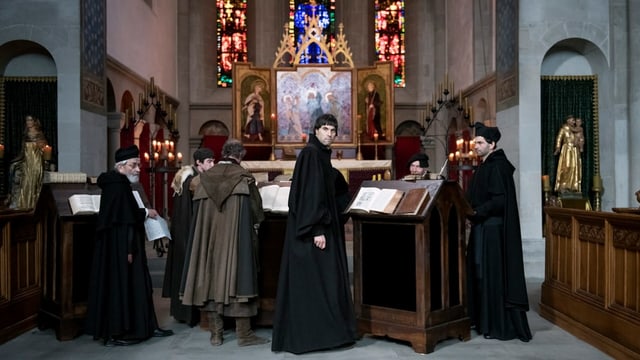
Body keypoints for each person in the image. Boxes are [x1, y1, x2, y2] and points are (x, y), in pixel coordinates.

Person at [271, 114, 357, 354]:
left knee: (321, 283)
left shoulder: (320, 156)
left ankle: (326, 334)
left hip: (320, 228)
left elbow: (327, 188)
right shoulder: (311, 154)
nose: (330, 134)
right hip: (313, 233)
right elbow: (309, 195)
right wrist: (317, 229)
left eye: (333, 130)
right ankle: (316, 337)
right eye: (326, 129)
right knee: (317, 283)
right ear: (316, 130)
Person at [181, 139, 268, 347]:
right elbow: (257, 213)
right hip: (236, 237)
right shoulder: (244, 178)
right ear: (240, 156)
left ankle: (216, 334)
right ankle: (244, 334)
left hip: (208, 238)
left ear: (223, 154)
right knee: (239, 277)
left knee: (209, 277)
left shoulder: (202, 178)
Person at [85, 145, 174, 346]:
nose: (137, 169)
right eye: (134, 165)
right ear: (122, 166)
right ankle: (120, 332)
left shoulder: (118, 182)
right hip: (122, 247)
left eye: (138, 165)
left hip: (125, 243)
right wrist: (128, 250)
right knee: (124, 286)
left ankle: (147, 326)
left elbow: (125, 213)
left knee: (139, 285)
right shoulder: (117, 185)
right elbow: (125, 218)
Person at [466, 122, 532, 343]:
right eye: (475, 142)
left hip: (492, 232)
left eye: (480, 142)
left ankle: (496, 324)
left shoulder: (497, 166)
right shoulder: (485, 165)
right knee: (481, 276)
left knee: (491, 277)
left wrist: (476, 212)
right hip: (482, 228)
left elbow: (499, 200)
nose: (475, 145)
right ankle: (485, 321)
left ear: (492, 144)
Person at [162, 147, 215, 326]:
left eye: (213, 160)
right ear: (199, 163)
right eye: (209, 161)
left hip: (184, 230)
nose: (212, 164)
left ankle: (185, 313)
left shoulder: (187, 175)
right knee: (187, 270)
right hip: (186, 232)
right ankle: (188, 314)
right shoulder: (191, 179)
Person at [6, 115, 48, 209]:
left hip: (36, 161)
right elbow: (23, 151)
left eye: (30, 120)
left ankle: (33, 204)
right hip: (26, 160)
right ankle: (21, 202)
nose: (28, 122)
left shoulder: (39, 134)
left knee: (33, 178)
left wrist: (40, 147)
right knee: (15, 168)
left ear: (34, 121)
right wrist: (17, 160)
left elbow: (44, 149)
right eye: (27, 120)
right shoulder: (25, 135)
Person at [553, 115, 581, 193]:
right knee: (566, 167)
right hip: (567, 150)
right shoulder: (564, 129)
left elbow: (579, 138)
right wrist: (558, 147)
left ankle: (573, 186)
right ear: (568, 120)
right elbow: (559, 138)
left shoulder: (575, 130)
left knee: (574, 167)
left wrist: (579, 143)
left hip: (574, 150)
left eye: (574, 121)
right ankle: (564, 186)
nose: (574, 122)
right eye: (572, 120)